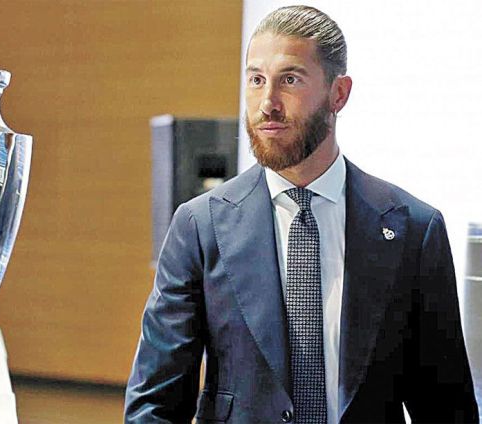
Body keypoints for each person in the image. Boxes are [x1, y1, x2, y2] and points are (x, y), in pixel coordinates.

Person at [124, 5, 479, 424]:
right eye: (256, 80)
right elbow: (155, 405)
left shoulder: (414, 230)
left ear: (338, 94)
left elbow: (447, 407)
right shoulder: (200, 226)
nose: (267, 104)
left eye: (289, 80)